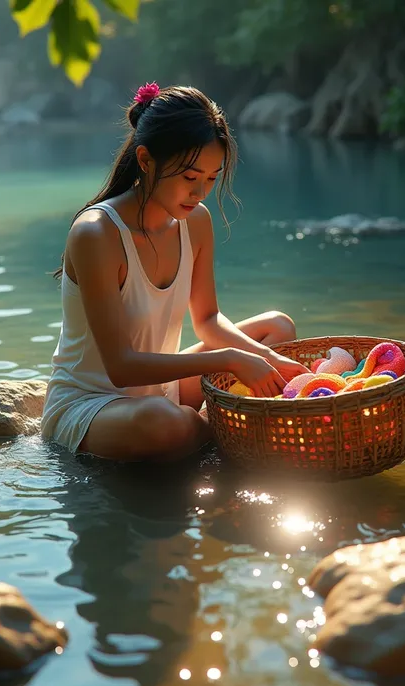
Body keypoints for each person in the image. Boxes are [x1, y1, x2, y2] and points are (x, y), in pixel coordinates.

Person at [41, 83, 309, 462]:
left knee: (278, 328)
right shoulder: (96, 233)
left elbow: (208, 320)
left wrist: (266, 357)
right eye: (189, 177)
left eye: (211, 179)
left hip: (164, 392)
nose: (199, 192)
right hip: (93, 407)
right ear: (147, 160)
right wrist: (232, 359)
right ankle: (242, 432)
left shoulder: (195, 221)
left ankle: (221, 427)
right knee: (162, 423)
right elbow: (121, 367)